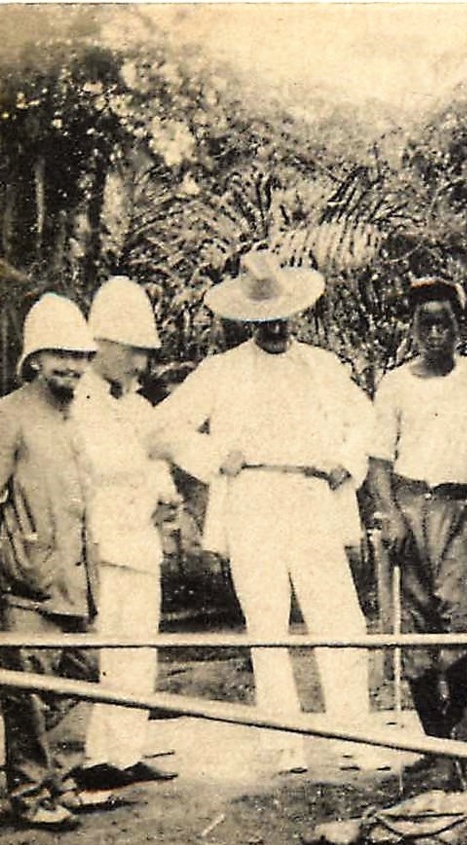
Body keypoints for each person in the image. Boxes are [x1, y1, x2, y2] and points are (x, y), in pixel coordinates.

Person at [153, 251, 378, 775]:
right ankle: (284, 742)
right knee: (267, 621)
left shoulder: (323, 367)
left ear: (293, 312)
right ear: (246, 320)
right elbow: (163, 428)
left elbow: (367, 422)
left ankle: (354, 736)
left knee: (338, 616)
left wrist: (345, 463)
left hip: (310, 497)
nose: (274, 326)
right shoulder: (221, 371)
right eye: (262, 319)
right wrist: (211, 457)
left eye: (280, 315)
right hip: (253, 499)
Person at [0, 295, 101, 829]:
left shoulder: (74, 419)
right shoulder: (3, 417)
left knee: (82, 675)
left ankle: (63, 781)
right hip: (26, 575)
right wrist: (14, 543)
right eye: (58, 354)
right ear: (34, 359)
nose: (71, 365)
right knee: (28, 686)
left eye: (80, 356)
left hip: (77, 575)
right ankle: (31, 792)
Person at [367, 277, 467, 747]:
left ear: (459, 328)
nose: (435, 334)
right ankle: (434, 739)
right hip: (409, 504)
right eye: (425, 325)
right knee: (416, 622)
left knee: (464, 615)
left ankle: (463, 733)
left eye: (444, 324)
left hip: (455, 507)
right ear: (412, 329)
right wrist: (391, 515)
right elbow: (378, 461)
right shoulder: (395, 384)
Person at [69, 277, 181, 791]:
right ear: (105, 345)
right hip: (102, 544)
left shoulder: (137, 406)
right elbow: (91, 470)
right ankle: (98, 759)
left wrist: (166, 497)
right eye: (134, 352)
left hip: (140, 541)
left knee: (140, 649)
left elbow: (157, 461)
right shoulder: (79, 402)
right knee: (109, 652)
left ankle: (127, 753)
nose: (140, 365)